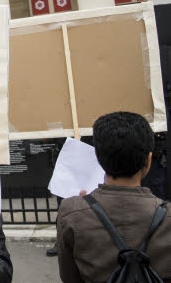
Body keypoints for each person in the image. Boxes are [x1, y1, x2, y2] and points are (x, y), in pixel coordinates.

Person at [57, 112, 171, 282]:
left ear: (98, 157)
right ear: (148, 161)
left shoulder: (71, 211)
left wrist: (82, 207)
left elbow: (69, 277)